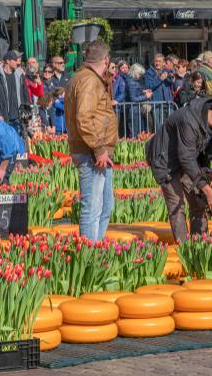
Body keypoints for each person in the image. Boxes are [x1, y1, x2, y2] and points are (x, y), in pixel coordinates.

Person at [145, 98, 212, 242]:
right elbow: (186, 158)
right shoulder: (190, 120)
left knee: (199, 201)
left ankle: (200, 245)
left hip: (187, 159)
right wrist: (209, 192)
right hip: (165, 160)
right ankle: (184, 250)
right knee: (177, 205)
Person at [64, 40, 117, 242]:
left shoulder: (85, 77)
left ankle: (95, 249)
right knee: (93, 207)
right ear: (106, 59)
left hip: (94, 148)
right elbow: (84, 118)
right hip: (91, 150)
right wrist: (98, 148)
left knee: (104, 205)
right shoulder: (88, 80)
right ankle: (89, 254)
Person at [0, 51, 26, 133]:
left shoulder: (20, 75)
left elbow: (25, 94)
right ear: (7, 61)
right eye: (15, 60)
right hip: (4, 118)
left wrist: (26, 113)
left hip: (18, 118)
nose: (17, 62)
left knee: (18, 143)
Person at [143, 54, 174, 131]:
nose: (158, 63)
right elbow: (148, 86)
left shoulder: (167, 71)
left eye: (160, 61)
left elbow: (174, 86)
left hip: (169, 104)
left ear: (163, 62)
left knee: (171, 128)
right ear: (153, 61)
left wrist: (173, 81)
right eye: (156, 61)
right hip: (157, 104)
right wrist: (160, 79)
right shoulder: (149, 73)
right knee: (159, 129)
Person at [124, 63, 152, 136]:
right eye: (140, 74)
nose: (140, 76)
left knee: (136, 131)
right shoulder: (132, 82)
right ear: (136, 73)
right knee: (134, 132)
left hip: (135, 109)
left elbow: (133, 93)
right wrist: (146, 96)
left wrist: (142, 92)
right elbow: (133, 98)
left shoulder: (132, 81)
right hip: (133, 109)